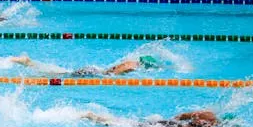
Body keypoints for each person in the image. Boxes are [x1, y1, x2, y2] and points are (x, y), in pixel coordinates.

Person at [10, 54, 162, 76]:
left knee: (62, 73)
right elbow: (114, 73)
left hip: (93, 70)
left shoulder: (131, 62)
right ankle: (28, 62)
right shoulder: (131, 66)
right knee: (61, 75)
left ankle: (29, 63)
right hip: (94, 73)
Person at [82, 109, 220, 127]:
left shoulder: (203, 120)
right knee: (126, 125)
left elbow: (183, 115)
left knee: (128, 123)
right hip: (159, 126)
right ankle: (93, 117)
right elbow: (184, 115)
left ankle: (94, 116)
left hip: (161, 124)